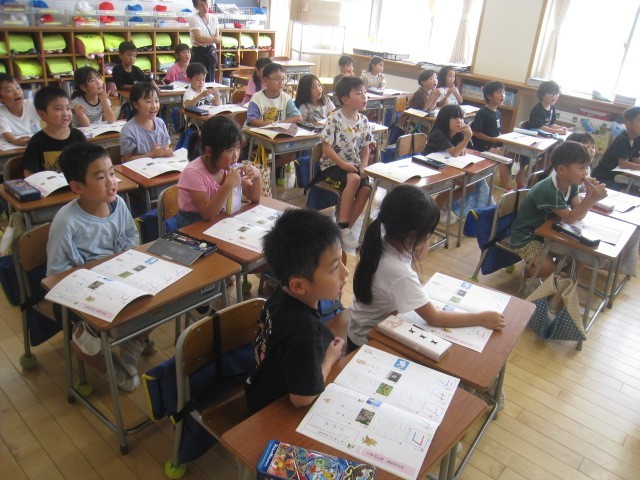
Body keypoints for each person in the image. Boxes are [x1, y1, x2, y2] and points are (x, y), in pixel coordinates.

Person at [348, 185, 505, 350]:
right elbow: (435, 318)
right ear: (412, 235)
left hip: (364, 326)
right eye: (428, 233)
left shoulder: (385, 238)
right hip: (366, 341)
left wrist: (425, 225)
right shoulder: (397, 271)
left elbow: (421, 256)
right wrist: (482, 318)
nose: (430, 236)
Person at [47, 143, 145, 392]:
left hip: (120, 280)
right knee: (84, 343)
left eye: (112, 173)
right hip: (81, 292)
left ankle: (131, 348)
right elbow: (56, 274)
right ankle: (109, 368)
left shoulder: (118, 204)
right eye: (100, 177)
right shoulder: (66, 222)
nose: (111, 182)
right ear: (77, 187)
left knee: (156, 306)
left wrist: (124, 266)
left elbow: (131, 239)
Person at [245, 208, 347, 413]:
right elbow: (303, 399)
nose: (346, 273)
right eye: (335, 268)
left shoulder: (281, 293)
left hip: (259, 388)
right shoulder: (302, 329)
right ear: (298, 286)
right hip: (270, 412)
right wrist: (330, 358)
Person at [510, 141, 607, 278]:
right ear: (561, 170)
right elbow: (570, 217)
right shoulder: (549, 190)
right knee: (548, 268)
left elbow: (579, 215)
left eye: (587, 167)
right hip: (526, 236)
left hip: (548, 232)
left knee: (582, 256)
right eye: (581, 167)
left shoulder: (572, 184)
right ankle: (532, 275)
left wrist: (589, 196)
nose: (585, 172)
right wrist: (591, 199)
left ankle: (561, 283)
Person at [316, 76, 373, 249]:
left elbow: (366, 148)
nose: (364, 97)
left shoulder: (364, 121)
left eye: (365, 92)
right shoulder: (334, 118)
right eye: (359, 93)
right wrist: (343, 164)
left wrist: (363, 166)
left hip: (354, 166)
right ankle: (342, 225)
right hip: (332, 166)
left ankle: (343, 229)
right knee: (354, 179)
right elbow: (326, 148)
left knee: (366, 189)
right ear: (345, 99)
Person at [176, 116, 261, 227]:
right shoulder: (193, 173)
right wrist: (228, 185)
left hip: (217, 221)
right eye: (230, 150)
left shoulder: (228, 167)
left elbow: (254, 197)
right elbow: (206, 214)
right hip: (193, 224)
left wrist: (257, 176)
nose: (236, 155)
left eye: (238, 147)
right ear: (209, 151)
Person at [425, 104, 491, 222]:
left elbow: (461, 151)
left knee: (471, 184)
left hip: (447, 166)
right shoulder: (438, 133)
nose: (459, 121)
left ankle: (444, 204)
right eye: (455, 118)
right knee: (453, 182)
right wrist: (468, 135)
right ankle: (436, 208)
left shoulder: (457, 134)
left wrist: (462, 145)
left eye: (461, 117)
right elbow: (455, 152)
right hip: (430, 168)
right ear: (445, 119)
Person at [246, 62, 302, 182]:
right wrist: (272, 125)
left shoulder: (285, 98)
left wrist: (280, 124)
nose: (281, 82)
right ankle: (257, 170)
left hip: (277, 137)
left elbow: (298, 117)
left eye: (283, 78)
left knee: (291, 154)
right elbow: (252, 120)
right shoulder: (257, 97)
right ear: (266, 81)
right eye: (277, 79)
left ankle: (266, 168)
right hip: (257, 136)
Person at [22, 86, 87, 177]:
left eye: (68, 108)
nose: (65, 113)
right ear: (42, 114)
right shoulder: (37, 141)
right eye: (58, 109)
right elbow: (29, 172)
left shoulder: (78, 135)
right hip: (49, 185)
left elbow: (89, 164)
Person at [120, 82, 172, 162]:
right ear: (135, 104)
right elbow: (126, 160)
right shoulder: (129, 130)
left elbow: (166, 148)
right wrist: (152, 155)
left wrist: (167, 152)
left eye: (156, 101)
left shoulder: (160, 123)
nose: (154, 106)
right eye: (148, 101)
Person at [471, 81, 510, 187]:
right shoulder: (482, 112)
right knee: (501, 156)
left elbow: (498, 131)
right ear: (489, 96)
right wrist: (492, 139)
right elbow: (475, 132)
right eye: (498, 92)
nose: (502, 95)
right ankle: (505, 186)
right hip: (482, 146)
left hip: (494, 143)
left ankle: (501, 184)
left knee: (508, 152)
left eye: (503, 92)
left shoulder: (498, 113)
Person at [592, 106, 640, 191]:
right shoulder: (622, 140)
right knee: (633, 191)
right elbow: (623, 164)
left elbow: (636, 160)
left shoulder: (636, 138)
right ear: (629, 124)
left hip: (618, 177)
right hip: (604, 178)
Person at [0, 73, 41, 146]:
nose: (17, 92)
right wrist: (15, 140)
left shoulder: (32, 104)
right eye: (9, 90)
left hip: (36, 145)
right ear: (1, 99)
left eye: (18, 87)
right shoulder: (1, 112)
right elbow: (6, 133)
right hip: (12, 149)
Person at [188, 0, 221, 83]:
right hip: (199, 52)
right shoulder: (194, 18)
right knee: (199, 79)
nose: (205, 7)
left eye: (206, 4)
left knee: (210, 80)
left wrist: (206, 40)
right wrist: (214, 39)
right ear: (196, 7)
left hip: (211, 52)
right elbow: (199, 38)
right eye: (201, 5)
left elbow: (217, 39)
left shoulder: (214, 18)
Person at [182, 62, 221, 126]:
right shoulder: (189, 92)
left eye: (203, 79)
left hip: (205, 118)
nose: (201, 82)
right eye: (198, 80)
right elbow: (188, 106)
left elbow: (216, 103)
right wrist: (201, 95)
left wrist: (217, 95)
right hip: (193, 121)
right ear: (189, 80)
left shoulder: (204, 90)